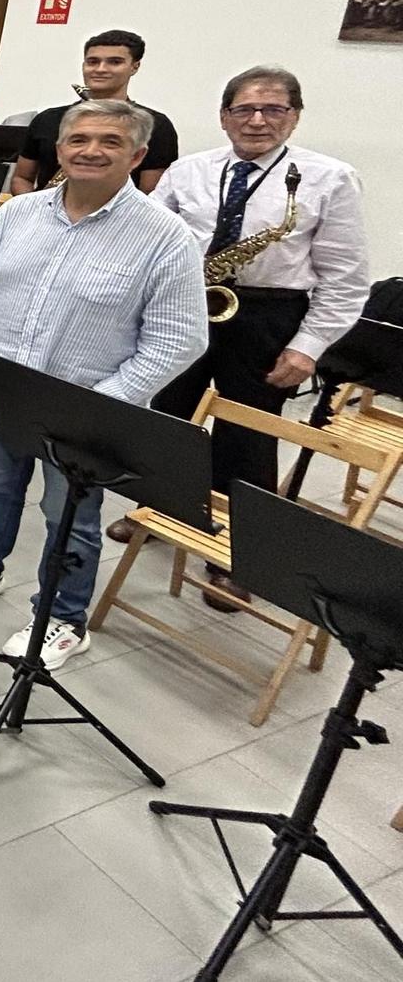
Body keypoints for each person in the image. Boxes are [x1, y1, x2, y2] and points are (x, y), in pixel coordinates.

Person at [0, 100, 209, 669]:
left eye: (110, 142)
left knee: (68, 514)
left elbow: (180, 339)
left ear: (138, 155)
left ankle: (64, 619)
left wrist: (106, 403)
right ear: (59, 148)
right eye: (79, 139)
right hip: (2, 390)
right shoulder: (16, 214)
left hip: (88, 408)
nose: (91, 151)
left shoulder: (164, 236)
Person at [139, 66, 370, 606]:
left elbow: (346, 277)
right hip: (189, 302)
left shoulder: (329, 177)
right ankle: (162, 508)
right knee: (167, 415)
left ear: (295, 116)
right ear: (224, 117)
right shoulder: (189, 170)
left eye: (274, 109)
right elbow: (150, 238)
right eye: (244, 109)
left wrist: (308, 346)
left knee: (249, 436)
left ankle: (239, 554)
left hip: (269, 315)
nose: (258, 120)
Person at [9, 30, 180, 194]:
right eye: (92, 62)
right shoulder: (46, 119)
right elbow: (22, 178)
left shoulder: (155, 125)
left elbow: (151, 194)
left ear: (135, 67)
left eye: (115, 62)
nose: (100, 69)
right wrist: (33, 209)